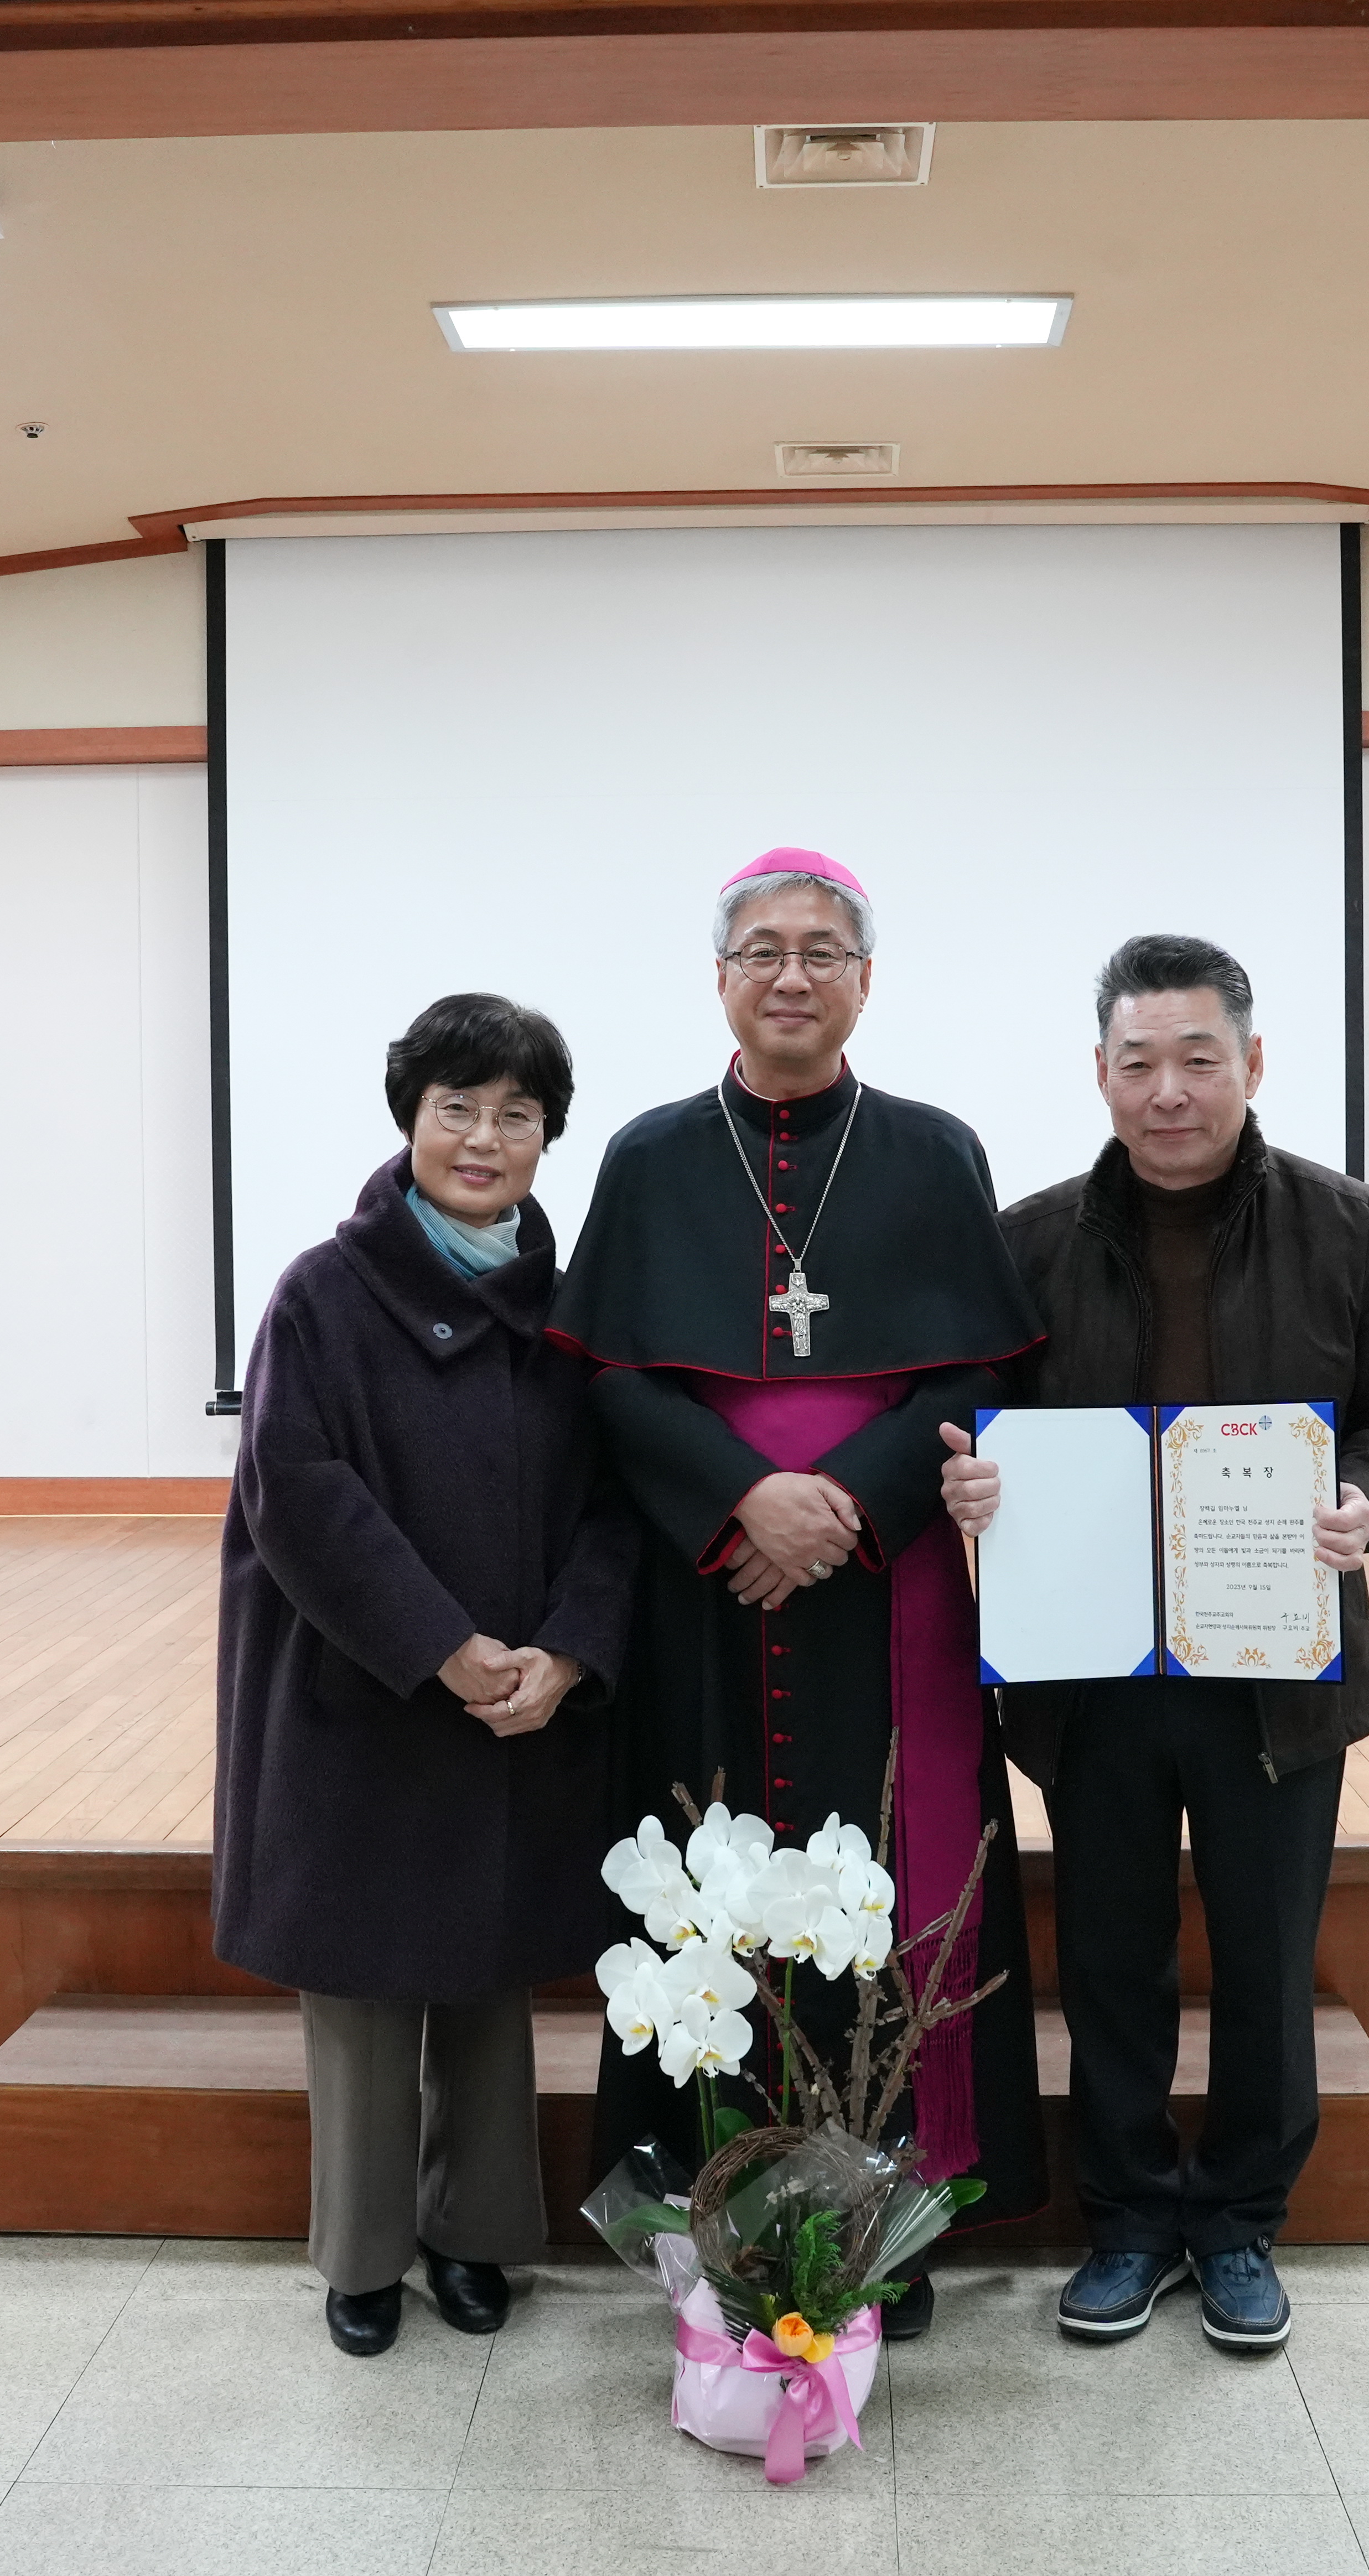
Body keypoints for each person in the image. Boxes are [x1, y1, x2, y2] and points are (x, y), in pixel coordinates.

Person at [550, 849, 1049, 2337]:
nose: (789, 974)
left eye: (821, 951)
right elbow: (614, 1383)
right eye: (761, 949)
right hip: (705, 1591)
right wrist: (737, 1502)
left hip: (882, 1586)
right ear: (720, 978)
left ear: (863, 982)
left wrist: (845, 1507)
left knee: (897, 1882)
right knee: (710, 1899)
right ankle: (711, 2227)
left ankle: (888, 2224)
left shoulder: (934, 1151)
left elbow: (978, 1364)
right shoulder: (646, 1158)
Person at [940, 932, 1369, 2354]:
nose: (1168, 1091)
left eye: (1197, 1060)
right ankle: (1126, 2222)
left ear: (1252, 1063)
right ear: (1099, 1073)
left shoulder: (1340, 1226)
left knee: (1265, 1952)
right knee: (1106, 1953)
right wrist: (967, 1480)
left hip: (1273, 1676)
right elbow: (974, 1425)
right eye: (1137, 1063)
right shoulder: (1032, 1240)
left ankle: (1236, 2226)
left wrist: (1366, 1496)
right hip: (1093, 1674)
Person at [212, 992, 638, 2359]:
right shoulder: (322, 1294)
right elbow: (299, 1492)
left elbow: (617, 1502)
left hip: (521, 1699)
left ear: (547, 1139)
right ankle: (360, 2256)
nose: (484, 1136)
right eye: (457, 1106)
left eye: (517, 1114)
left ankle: (475, 2242)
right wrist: (441, 1648)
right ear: (410, 1118)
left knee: (485, 1983)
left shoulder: (570, 1311)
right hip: (365, 1693)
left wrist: (568, 1649)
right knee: (360, 1990)